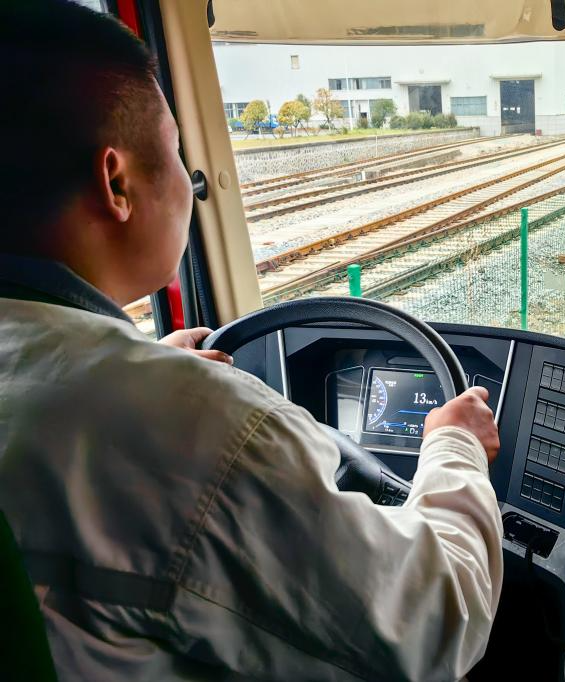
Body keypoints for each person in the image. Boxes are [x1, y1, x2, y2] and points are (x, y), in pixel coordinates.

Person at [0, 2, 503, 680]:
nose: (191, 181)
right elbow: (439, 621)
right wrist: (455, 445)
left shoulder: (77, 382)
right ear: (116, 182)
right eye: (176, 151)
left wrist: (146, 370)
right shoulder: (182, 421)